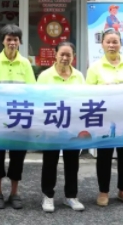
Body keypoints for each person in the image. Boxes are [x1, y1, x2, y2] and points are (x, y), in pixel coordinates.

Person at [86, 28, 123, 207]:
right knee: (104, 155)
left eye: (115, 41)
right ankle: (103, 192)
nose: (111, 45)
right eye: (108, 42)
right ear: (102, 44)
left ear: (120, 44)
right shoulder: (95, 67)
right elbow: (88, 93)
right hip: (105, 118)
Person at [0, 24, 36, 210]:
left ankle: (15, 193)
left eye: (15, 39)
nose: (12, 43)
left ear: (20, 42)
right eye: (9, 39)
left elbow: (32, 89)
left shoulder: (25, 63)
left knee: (17, 157)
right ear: (3, 41)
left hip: (20, 117)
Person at [36, 42, 85, 213]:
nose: (65, 58)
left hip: (72, 126)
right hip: (51, 125)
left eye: (68, 55)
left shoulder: (79, 76)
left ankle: (71, 196)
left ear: (74, 57)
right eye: (62, 54)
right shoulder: (45, 76)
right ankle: (48, 196)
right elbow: (38, 101)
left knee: (72, 162)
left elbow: (84, 100)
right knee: (50, 161)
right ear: (55, 55)